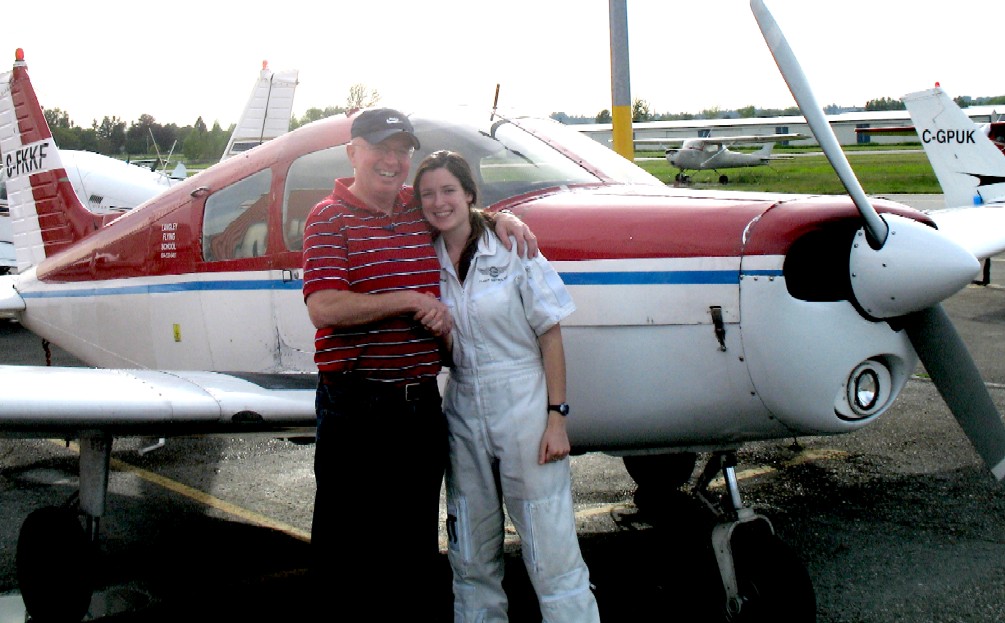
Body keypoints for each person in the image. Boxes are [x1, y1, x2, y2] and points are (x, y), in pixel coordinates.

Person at [302, 109, 536, 616]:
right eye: (379, 148)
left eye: (401, 150)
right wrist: (408, 300)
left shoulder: (413, 207)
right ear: (352, 153)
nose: (392, 160)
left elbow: (454, 205)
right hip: (355, 406)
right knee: (343, 552)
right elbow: (324, 306)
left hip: (418, 407)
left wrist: (501, 218)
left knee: (411, 549)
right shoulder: (328, 217)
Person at [413, 150, 601, 622]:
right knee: (471, 552)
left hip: (523, 399)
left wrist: (557, 417)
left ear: (470, 193)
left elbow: (550, 332)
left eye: (449, 190)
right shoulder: (423, 256)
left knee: (549, 548)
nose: (439, 202)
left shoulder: (513, 246)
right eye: (428, 194)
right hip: (463, 402)